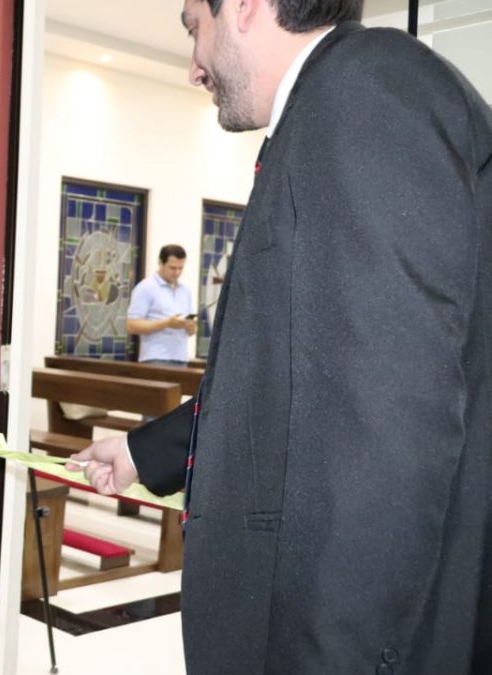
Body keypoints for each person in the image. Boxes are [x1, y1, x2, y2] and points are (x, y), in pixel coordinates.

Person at [70, 0, 492, 672]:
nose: (192, 67)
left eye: (192, 29)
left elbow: (384, 428)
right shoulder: (337, 101)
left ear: (241, 8)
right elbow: (294, 379)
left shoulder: (364, 95)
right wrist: (142, 451)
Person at [125, 244, 196, 366]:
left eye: (181, 268)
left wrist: (191, 328)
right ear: (160, 263)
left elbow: (191, 330)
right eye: (172, 268)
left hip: (181, 358)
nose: (177, 272)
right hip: (155, 357)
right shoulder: (146, 288)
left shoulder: (186, 291)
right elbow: (131, 325)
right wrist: (167, 323)